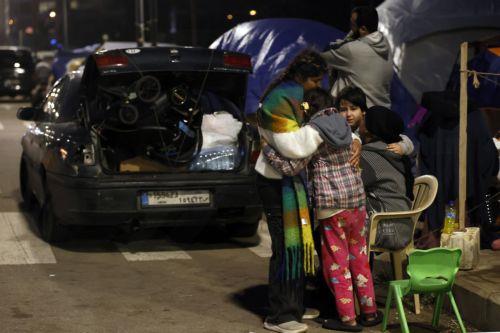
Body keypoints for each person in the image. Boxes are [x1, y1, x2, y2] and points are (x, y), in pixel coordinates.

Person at [262, 88, 381, 332]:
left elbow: (291, 166)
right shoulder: (343, 124)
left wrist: (267, 148)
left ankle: (347, 318)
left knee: (337, 264)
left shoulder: (314, 132)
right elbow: (356, 140)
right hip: (357, 203)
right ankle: (369, 312)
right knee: (359, 258)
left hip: (332, 207)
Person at [255, 50, 327, 333]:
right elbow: (293, 146)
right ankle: (279, 315)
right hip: (275, 184)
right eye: (316, 81)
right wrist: (322, 130)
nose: (317, 86)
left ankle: (293, 305)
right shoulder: (282, 98)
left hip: (289, 183)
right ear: (305, 77)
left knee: (294, 245)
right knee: (286, 248)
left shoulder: (293, 92)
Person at [358, 106, 415, 250]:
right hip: (404, 227)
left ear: (370, 128)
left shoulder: (367, 156)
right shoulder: (396, 152)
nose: (360, 121)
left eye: (364, 119)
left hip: (385, 229)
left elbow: (352, 188)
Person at [321, 6, 392, 108]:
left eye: (352, 25)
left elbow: (325, 54)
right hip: (382, 113)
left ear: (363, 29)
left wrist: (350, 38)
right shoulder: (385, 44)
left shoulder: (351, 50)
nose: (350, 28)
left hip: (358, 115)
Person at [336, 85, 414, 156]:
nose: (348, 114)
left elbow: (404, 140)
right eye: (343, 110)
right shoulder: (336, 129)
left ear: (363, 111)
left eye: (353, 109)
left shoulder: (371, 124)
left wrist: (402, 147)